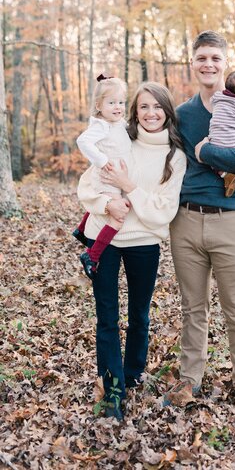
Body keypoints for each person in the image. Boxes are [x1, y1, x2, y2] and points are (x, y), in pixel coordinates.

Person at [164, 30, 235, 421]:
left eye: (215, 58)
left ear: (225, 63)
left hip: (234, 220)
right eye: (201, 58)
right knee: (192, 308)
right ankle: (189, 379)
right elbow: (163, 159)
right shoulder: (182, 114)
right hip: (187, 220)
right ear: (192, 63)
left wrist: (207, 151)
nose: (208, 64)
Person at [77, 82, 186, 420]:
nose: (151, 113)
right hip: (105, 240)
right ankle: (112, 391)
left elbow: (162, 211)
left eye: (157, 107)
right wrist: (108, 201)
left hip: (144, 243)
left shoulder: (175, 156)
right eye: (143, 107)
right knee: (107, 317)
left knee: (139, 315)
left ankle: (133, 373)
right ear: (135, 112)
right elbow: (87, 185)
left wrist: (128, 189)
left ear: (167, 111)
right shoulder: (117, 140)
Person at [73, 75, 131, 280]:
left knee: (107, 207)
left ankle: (81, 230)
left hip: (114, 176)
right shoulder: (101, 125)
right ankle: (92, 255)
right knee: (119, 216)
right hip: (106, 176)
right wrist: (100, 159)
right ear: (99, 105)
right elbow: (83, 141)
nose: (118, 107)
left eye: (121, 102)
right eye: (112, 102)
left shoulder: (119, 123)